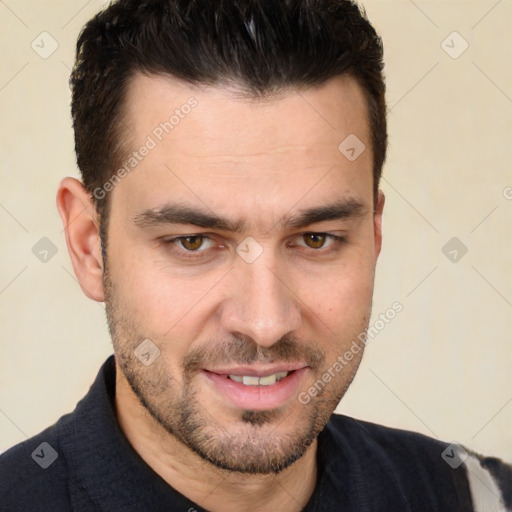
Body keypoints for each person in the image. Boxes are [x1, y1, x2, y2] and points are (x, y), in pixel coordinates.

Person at [0, 0, 510, 510]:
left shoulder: (476, 497)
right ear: (90, 245)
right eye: (193, 242)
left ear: (374, 234)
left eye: (316, 239)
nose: (265, 323)